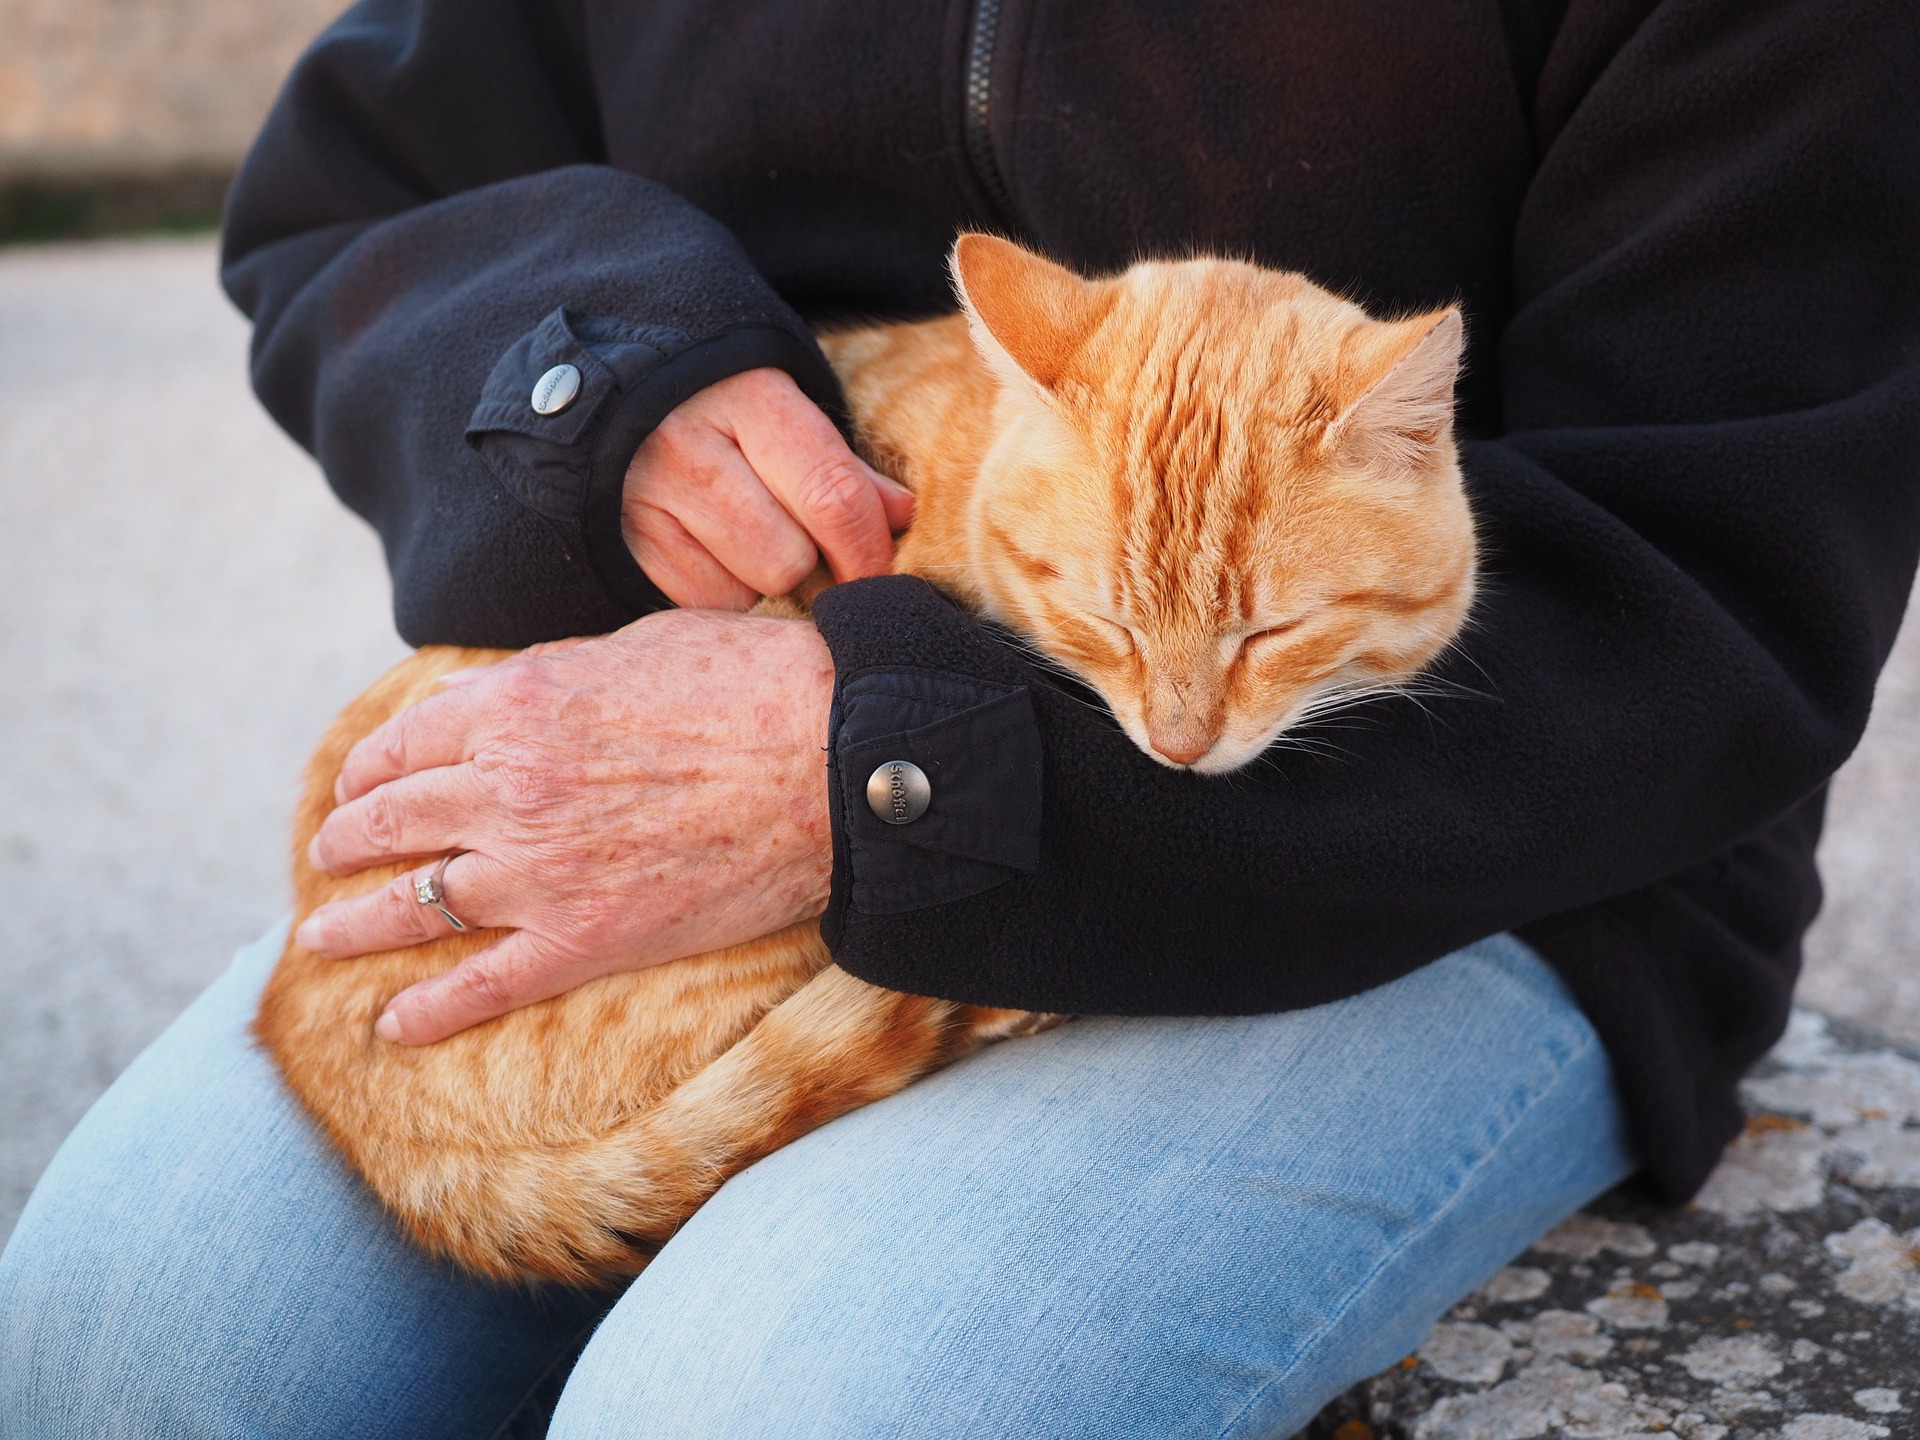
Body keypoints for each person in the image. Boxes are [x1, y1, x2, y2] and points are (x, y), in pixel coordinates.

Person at [3, 1, 1917, 1435]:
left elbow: (1719, 581)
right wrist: (607, 376)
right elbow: (355, 192)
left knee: (760, 1410)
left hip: (1461, 818)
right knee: (125, 1338)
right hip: (805, 624)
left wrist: (892, 779)